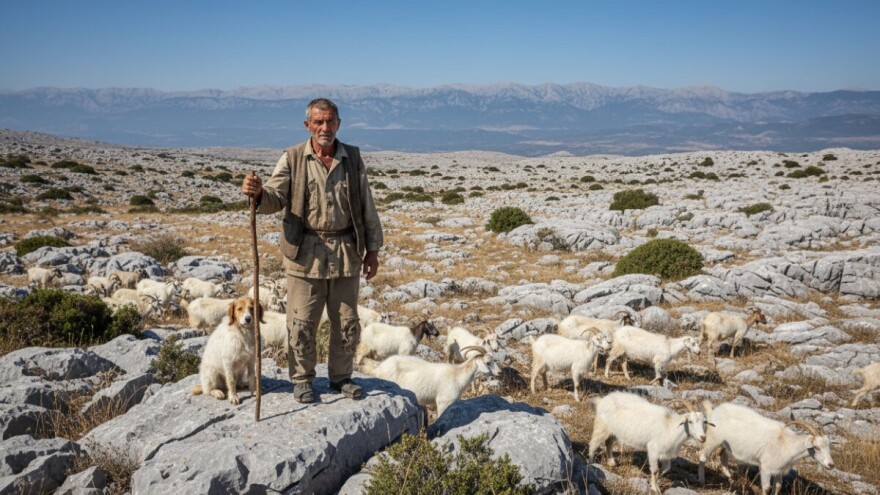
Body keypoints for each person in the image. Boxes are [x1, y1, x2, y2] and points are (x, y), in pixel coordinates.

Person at [241, 98, 383, 403]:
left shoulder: (353, 159)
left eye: (330, 121)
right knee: (302, 321)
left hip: (346, 252)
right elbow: (275, 197)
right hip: (305, 254)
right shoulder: (292, 158)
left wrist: (372, 250)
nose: (325, 128)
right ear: (308, 125)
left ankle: (341, 378)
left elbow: (367, 208)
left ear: (338, 124)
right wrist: (258, 194)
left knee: (347, 321)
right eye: (318, 122)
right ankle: (302, 379)